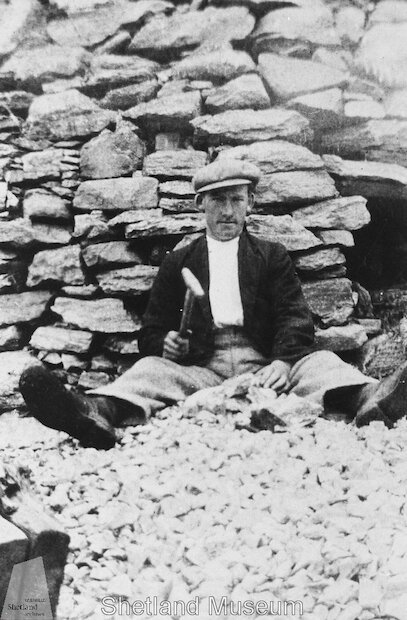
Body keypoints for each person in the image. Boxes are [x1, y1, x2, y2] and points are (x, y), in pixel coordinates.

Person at [19, 159, 407, 449]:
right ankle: (95, 415)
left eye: (236, 200)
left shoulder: (270, 255)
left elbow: (294, 317)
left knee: (322, 364)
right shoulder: (180, 261)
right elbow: (152, 331)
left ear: (249, 203)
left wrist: (283, 362)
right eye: (217, 201)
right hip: (204, 367)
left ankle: (370, 399)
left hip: (263, 361)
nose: (227, 211)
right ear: (200, 205)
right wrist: (167, 344)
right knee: (149, 371)